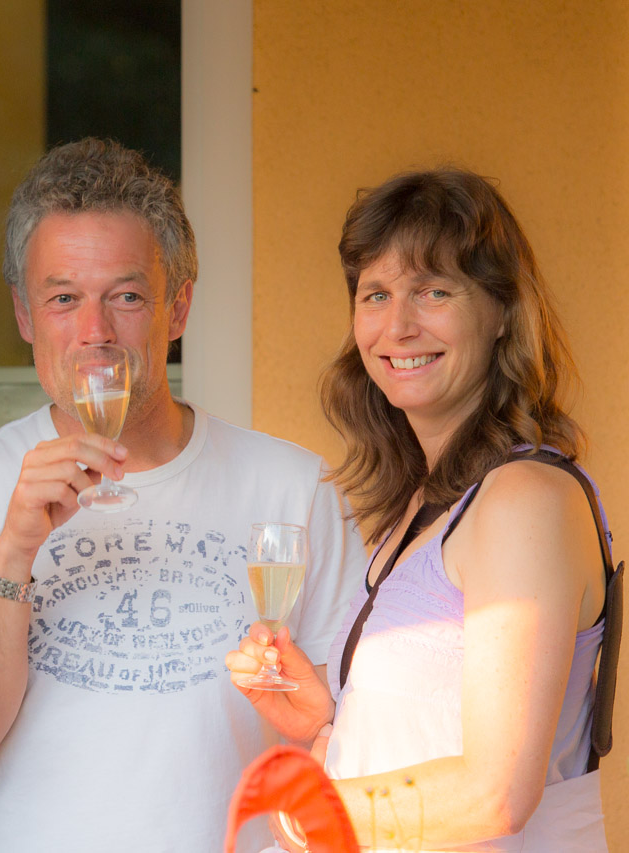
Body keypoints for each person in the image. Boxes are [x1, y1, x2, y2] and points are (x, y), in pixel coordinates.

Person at [0, 138, 364, 852]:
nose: (95, 333)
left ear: (177, 309)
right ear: (25, 315)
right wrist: (15, 551)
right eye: (63, 299)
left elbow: (350, 737)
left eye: (125, 297)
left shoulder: (294, 487)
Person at [226, 168, 612, 851]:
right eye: (376, 294)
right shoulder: (427, 505)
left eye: (434, 291)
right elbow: (431, 728)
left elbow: (494, 792)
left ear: (501, 311)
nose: (399, 326)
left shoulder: (525, 498)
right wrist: (328, 717)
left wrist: (299, 809)